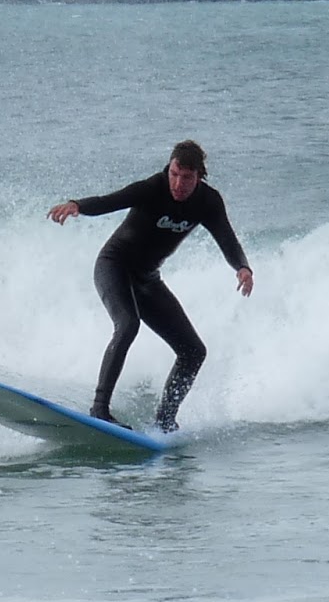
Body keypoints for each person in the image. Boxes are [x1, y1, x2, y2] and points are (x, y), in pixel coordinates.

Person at [48, 140, 253, 432]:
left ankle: (165, 421)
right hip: (113, 266)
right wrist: (77, 205)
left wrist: (242, 267)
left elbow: (227, 238)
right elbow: (110, 201)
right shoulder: (153, 188)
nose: (178, 184)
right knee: (128, 324)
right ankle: (99, 410)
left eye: (187, 177)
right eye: (174, 174)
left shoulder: (208, 202)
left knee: (193, 351)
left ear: (199, 176)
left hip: (147, 278)